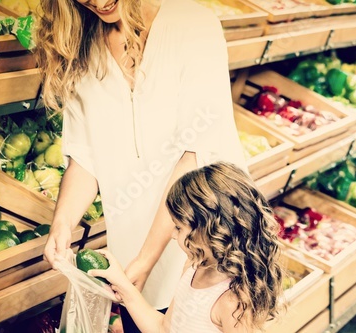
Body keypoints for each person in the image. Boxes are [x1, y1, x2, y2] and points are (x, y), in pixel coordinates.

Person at [36, 0, 248, 331]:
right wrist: (62, 224)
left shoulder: (193, 25)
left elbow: (194, 156)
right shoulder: (82, 48)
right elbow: (85, 155)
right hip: (133, 264)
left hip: (209, 256)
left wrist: (146, 260)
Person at [89, 162, 286, 332]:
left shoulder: (234, 302)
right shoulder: (194, 267)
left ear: (209, 229)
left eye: (178, 227)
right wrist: (122, 286)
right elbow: (164, 328)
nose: (173, 235)